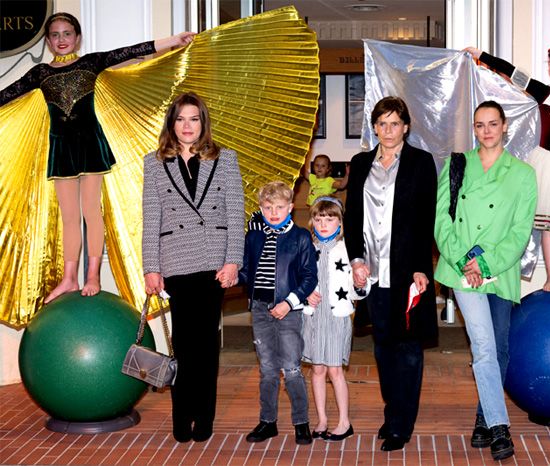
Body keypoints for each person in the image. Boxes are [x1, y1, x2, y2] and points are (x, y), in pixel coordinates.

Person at [0, 12, 195, 303]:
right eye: (55, 35)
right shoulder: (40, 73)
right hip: (62, 147)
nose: (62, 39)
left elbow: (130, 51)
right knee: (69, 217)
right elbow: (7, 94)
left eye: (67, 33)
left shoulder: (91, 62)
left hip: (90, 144)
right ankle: (69, 278)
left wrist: (173, 41)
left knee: (91, 211)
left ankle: (91, 275)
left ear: (77, 37)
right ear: (48, 41)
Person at [434, 100, 537, 461]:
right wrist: (466, 263)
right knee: (483, 346)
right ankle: (499, 428)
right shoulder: (456, 165)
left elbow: (520, 231)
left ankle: (481, 417)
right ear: (474, 128)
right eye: (480, 125)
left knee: (500, 349)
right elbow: (442, 223)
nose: (487, 130)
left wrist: (486, 262)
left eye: (493, 124)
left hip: (500, 270)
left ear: (505, 126)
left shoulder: (523, 174)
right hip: (462, 272)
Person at [141, 92, 245, 442]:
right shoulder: (153, 163)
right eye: (181, 119)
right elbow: (150, 219)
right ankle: (181, 418)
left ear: (203, 123)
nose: (187, 126)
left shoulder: (226, 159)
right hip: (177, 261)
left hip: (214, 262)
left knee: (206, 346)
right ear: (172, 123)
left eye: (194, 119)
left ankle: (204, 418)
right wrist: (150, 268)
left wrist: (233, 261)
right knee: (184, 344)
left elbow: (235, 214)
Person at [466, 40, 550, 292]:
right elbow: (510, 71)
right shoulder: (543, 92)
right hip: (547, 163)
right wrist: (481, 55)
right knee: (549, 225)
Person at [344, 96, 437, 452]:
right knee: (383, 348)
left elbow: (425, 217)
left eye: (394, 123)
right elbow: (352, 216)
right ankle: (392, 409)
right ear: (375, 127)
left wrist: (419, 265)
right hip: (371, 273)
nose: (388, 130)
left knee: (408, 348)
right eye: (381, 123)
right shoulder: (361, 162)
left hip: (407, 273)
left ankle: (401, 423)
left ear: (406, 127)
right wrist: (355, 260)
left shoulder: (420, 163)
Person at [239, 181, 318, 445]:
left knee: (292, 368)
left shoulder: (301, 237)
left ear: (291, 207)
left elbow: (309, 277)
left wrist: (290, 302)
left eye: (280, 207)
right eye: (268, 207)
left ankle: (301, 422)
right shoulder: (253, 237)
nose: (274, 212)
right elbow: (246, 271)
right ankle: (268, 421)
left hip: (289, 309)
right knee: (268, 369)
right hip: (260, 309)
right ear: (260, 208)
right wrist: (228, 275)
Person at [301, 197, 368, 441]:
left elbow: (356, 286)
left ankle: (344, 422)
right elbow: (299, 277)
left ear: (340, 222)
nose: (323, 224)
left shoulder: (348, 249)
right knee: (317, 370)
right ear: (312, 221)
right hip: (313, 316)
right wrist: (304, 293)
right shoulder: (307, 246)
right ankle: (321, 419)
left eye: (330, 219)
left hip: (336, 316)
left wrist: (360, 284)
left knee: (335, 371)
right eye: (318, 219)